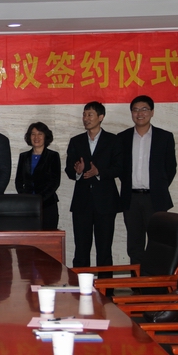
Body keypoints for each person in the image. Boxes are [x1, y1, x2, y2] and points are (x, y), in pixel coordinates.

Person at [119, 95, 177, 265]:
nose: (140, 113)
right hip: (131, 199)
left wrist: (158, 187)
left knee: (158, 243)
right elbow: (120, 168)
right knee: (134, 245)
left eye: (144, 109)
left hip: (155, 198)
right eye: (135, 110)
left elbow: (170, 167)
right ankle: (137, 280)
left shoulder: (164, 137)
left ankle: (155, 280)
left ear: (152, 112)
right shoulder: (122, 138)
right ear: (131, 113)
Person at [65, 101, 122, 270]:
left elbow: (119, 168)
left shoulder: (113, 140)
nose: (86, 118)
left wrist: (99, 172)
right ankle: (79, 284)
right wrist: (77, 171)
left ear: (101, 117)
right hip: (82, 203)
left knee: (104, 251)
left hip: (106, 202)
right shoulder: (76, 141)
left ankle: (105, 286)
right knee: (81, 250)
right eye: (84, 115)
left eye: (90, 114)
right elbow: (69, 169)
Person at [15, 122, 61, 230]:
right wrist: (25, 197)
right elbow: (18, 181)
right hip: (27, 205)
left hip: (48, 204)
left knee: (48, 236)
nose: (36, 137)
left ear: (45, 136)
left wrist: (39, 199)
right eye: (33, 134)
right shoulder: (23, 156)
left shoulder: (53, 156)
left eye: (40, 134)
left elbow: (55, 182)